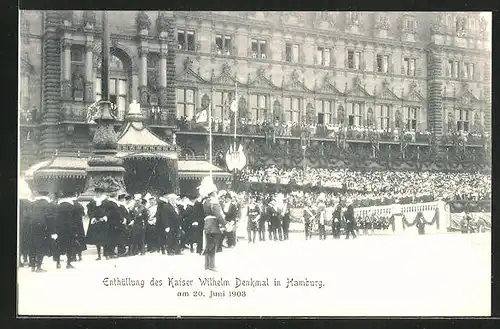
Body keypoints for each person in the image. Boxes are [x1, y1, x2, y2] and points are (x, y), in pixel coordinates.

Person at [26, 190, 56, 272]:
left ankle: (32, 266)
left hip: (32, 227)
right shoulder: (49, 205)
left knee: (32, 246)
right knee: (41, 247)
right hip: (43, 228)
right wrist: (52, 231)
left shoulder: (32, 204)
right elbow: (50, 219)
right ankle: (38, 266)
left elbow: (28, 216)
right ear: (47, 195)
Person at [201, 180, 226, 271]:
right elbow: (218, 215)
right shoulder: (214, 202)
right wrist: (225, 224)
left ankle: (207, 264)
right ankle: (212, 265)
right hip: (214, 225)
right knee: (213, 245)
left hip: (207, 224)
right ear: (213, 192)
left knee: (208, 245)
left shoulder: (205, 202)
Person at [54, 194, 79, 269]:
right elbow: (76, 220)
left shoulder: (57, 207)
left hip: (60, 229)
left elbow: (54, 218)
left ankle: (58, 263)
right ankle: (68, 263)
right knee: (69, 246)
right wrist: (75, 231)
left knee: (58, 245)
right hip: (69, 229)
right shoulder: (73, 207)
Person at [86, 188, 108, 260]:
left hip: (104, 222)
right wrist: (93, 218)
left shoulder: (106, 201)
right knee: (97, 239)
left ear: (102, 193)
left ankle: (106, 254)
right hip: (95, 221)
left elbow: (109, 210)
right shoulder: (92, 201)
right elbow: (89, 211)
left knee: (105, 237)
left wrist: (105, 217)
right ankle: (99, 255)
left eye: (99, 192)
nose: (97, 194)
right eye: (96, 192)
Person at [19, 196, 32, 267]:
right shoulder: (29, 203)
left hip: (21, 225)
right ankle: (26, 260)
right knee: (27, 243)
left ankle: (19, 260)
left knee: (21, 243)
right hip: (27, 226)